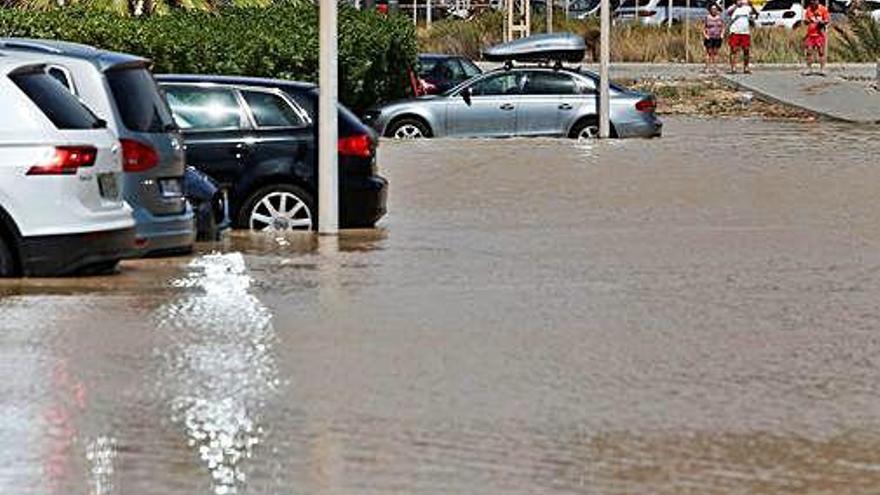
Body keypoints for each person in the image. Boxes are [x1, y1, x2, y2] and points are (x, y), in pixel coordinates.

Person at [726, 0, 758, 74]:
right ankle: (733, 68)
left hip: (745, 32)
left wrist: (751, 5)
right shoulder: (732, 7)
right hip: (735, 31)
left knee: (746, 50)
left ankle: (746, 68)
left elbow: (755, 12)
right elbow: (728, 13)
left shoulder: (747, 8)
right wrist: (736, 5)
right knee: (733, 49)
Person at [803, 0, 830, 75]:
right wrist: (807, 21)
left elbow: (827, 20)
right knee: (809, 52)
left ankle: (822, 69)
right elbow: (806, 20)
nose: (813, 3)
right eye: (812, 1)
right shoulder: (809, 9)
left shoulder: (823, 9)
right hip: (810, 34)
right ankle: (809, 69)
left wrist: (822, 22)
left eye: (815, 1)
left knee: (821, 52)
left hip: (819, 34)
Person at [703, 4, 725, 73]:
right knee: (709, 52)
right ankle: (707, 68)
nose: (714, 10)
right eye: (712, 9)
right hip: (709, 37)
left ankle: (715, 68)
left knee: (715, 53)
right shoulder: (707, 17)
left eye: (715, 9)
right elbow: (703, 27)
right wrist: (705, 35)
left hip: (717, 37)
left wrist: (722, 34)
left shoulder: (719, 17)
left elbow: (723, 26)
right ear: (710, 10)